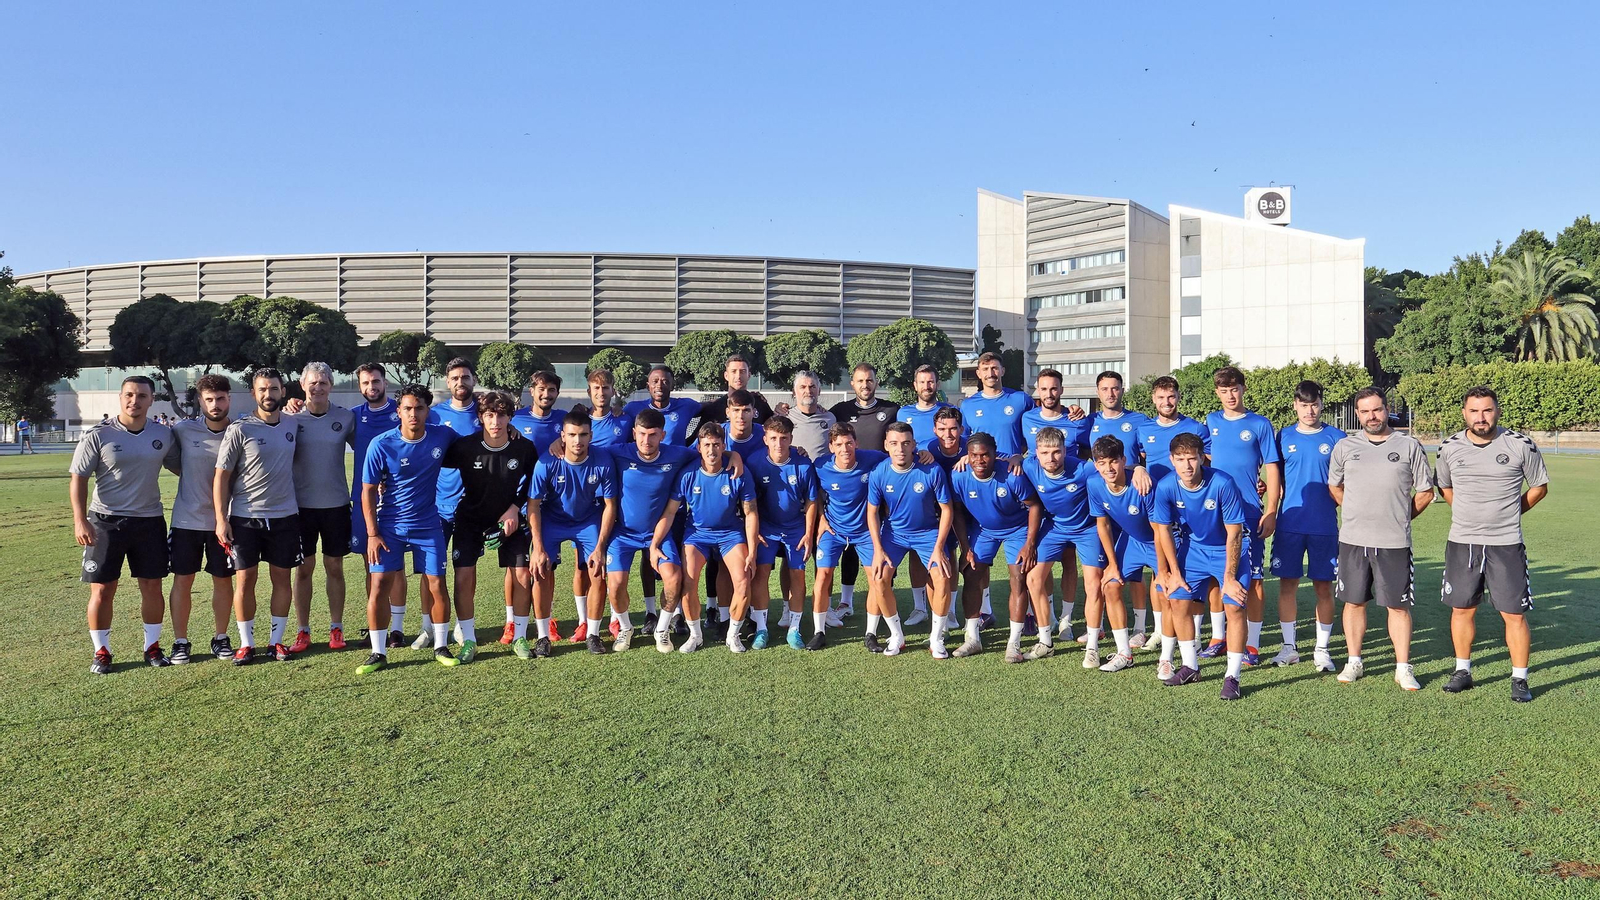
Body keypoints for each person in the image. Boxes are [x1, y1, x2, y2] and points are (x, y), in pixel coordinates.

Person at [1435, 386, 1548, 702]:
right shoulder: (1449, 448)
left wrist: (1510, 511)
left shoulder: (1521, 445)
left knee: (1514, 613)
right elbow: (1444, 486)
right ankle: (1462, 671)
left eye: (1487, 410)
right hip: (1462, 542)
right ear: (1464, 413)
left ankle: (1519, 679)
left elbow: (1539, 487)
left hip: (1506, 542)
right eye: (1474, 411)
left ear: (1497, 411)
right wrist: (1466, 513)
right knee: (1462, 609)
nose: (1481, 417)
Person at [1327, 387, 1434, 691]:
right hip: (1353, 539)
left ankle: (1403, 667)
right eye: (1365, 411)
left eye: (1376, 409)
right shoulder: (1345, 446)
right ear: (1357, 414)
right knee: (1353, 602)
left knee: (1398, 606)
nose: (1371, 416)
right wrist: (1354, 511)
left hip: (1394, 541)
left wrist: (1399, 517)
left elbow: (1426, 492)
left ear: (1387, 410)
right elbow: (1334, 486)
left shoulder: (1409, 446)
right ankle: (1354, 661)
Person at [70, 376, 174, 674]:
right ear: (120, 397)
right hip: (105, 522)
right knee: (103, 589)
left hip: (149, 521)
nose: (134, 401)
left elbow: (186, 465)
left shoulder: (163, 434)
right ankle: (101, 651)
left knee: (152, 586)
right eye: (129, 394)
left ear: (151, 400)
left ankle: (152, 647)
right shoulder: (98, 435)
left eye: (141, 395)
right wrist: (80, 520)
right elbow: (78, 479)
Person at [355, 384, 458, 674]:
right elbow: (368, 491)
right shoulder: (381, 444)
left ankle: (441, 646)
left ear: (428, 411)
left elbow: (477, 444)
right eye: (408, 408)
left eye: (420, 408)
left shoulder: (442, 436)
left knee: (437, 583)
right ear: (398, 411)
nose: (414, 414)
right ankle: (378, 652)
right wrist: (372, 534)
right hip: (389, 527)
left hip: (428, 525)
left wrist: (510, 431)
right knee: (379, 584)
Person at [1150, 432, 1251, 699]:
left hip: (1227, 548)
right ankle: (1191, 667)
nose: (1187, 465)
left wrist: (1229, 577)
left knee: (1234, 605)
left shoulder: (1222, 483)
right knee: (1177, 600)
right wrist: (1172, 572)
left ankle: (1232, 677)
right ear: (1172, 460)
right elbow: (1162, 530)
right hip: (1193, 550)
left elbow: (1235, 533)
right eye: (1180, 459)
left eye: (1192, 459)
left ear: (1202, 458)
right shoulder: (1166, 486)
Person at [214, 368, 305, 665]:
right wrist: (221, 519)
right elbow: (221, 476)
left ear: (283, 392)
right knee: (245, 580)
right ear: (254, 393)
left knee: (282, 579)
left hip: (285, 517)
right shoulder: (240, 429)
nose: (268, 394)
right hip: (245, 517)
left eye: (274, 389)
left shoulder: (292, 423)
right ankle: (246, 644)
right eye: (263, 389)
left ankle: (276, 642)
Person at [440, 389, 537, 664]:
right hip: (470, 520)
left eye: (502, 415)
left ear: (510, 417)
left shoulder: (523, 448)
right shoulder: (464, 446)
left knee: (522, 575)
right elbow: (429, 460)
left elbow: (534, 482)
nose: (496, 422)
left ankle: (520, 637)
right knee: (463, 576)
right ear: (481, 417)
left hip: (509, 521)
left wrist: (515, 507)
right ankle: (468, 639)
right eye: (490, 415)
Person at [653, 422, 760, 652]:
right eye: (707, 445)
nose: (712, 450)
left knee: (743, 580)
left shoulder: (738, 473)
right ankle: (696, 635)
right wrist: (655, 543)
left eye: (716, 444)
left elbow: (750, 513)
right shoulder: (687, 474)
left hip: (730, 534)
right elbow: (670, 512)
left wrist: (752, 551)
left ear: (724, 446)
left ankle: (733, 634)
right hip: (697, 535)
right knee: (688, 581)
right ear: (699, 447)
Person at [1201, 366, 1281, 667]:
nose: (1230, 395)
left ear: (1243, 389)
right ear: (1217, 393)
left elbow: (1272, 468)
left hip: (1248, 511)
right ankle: (1218, 638)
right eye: (1224, 391)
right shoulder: (1211, 421)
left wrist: (1271, 510)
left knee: (1254, 578)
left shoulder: (1259, 424)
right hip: (1215, 511)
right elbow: (1205, 457)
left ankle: (1252, 644)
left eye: (1234, 389)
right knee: (1215, 576)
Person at [1127, 375, 1210, 649]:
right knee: (1159, 570)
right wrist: (1139, 468)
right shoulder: (1143, 429)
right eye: (1161, 397)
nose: (1166, 401)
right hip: (1158, 509)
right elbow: (1134, 461)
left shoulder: (1195, 427)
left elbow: (1211, 462)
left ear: (1178, 397)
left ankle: (1194, 633)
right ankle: (1160, 630)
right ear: (1153, 399)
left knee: (1191, 567)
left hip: (1192, 508)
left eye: (1171, 396)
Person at [528, 409, 619, 655]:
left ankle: (593, 634)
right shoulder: (546, 462)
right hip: (552, 520)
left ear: (591, 436)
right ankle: (543, 636)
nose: (578, 441)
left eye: (583, 435)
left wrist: (600, 547)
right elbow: (533, 506)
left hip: (587, 521)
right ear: (563, 436)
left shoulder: (602, 460)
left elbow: (610, 505)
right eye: (572, 435)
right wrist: (538, 548)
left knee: (597, 571)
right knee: (540, 571)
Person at [1269, 380, 1346, 672]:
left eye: (1314, 404)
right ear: (1295, 405)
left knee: (1323, 587)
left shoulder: (1337, 437)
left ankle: (1322, 650)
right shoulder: (1283, 436)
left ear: (1322, 404)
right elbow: (1275, 478)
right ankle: (1289, 647)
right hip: (1289, 524)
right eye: (1304, 405)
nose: (1309, 410)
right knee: (1287, 584)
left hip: (1324, 525)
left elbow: (1348, 479)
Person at [610, 407, 699, 653]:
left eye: (652, 435)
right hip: (623, 533)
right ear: (634, 433)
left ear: (662, 435)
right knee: (616, 584)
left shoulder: (677, 454)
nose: (646, 440)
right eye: (641, 434)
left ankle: (661, 629)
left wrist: (733, 457)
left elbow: (708, 452)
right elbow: (585, 451)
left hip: (658, 533)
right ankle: (626, 627)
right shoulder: (618, 452)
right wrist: (557, 443)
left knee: (673, 578)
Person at [949, 432, 1043, 661]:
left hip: (1017, 529)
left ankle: (1014, 643)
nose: (979, 460)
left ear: (994, 454)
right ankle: (972, 638)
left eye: (985, 455)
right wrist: (965, 547)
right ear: (967, 455)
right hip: (984, 530)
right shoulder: (959, 475)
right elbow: (957, 512)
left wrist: (1030, 544)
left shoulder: (1012, 475)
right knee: (971, 573)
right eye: (974, 455)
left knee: (1019, 577)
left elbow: (1034, 506)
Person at [865, 421, 955, 658]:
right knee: (879, 578)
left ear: (914, 445)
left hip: (928, 533)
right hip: (893, 534)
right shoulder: (879, 472)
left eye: (906, 443)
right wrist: (877, 549)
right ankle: (897, 636)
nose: (900, 449)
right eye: (894, 443)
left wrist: (939, 547)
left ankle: (936, 639)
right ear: (886, 445)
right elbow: (872, 512)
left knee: (942, 578)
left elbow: (947, 509)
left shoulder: (931, 469)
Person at [164, 374, 236, 664]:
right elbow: (172, 462)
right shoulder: (183, 430)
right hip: (186, 520)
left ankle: (221, 637)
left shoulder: (240, 430)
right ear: (200, 401)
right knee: (183, 579)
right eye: (209, 399)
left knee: (223, 580)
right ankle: (180, 641)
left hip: (226, 522)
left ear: (229, 399)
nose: (215, 405)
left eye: (220, 398)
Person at [411, 357, 482, 651]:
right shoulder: (434, 415)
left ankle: (463, 628)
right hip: (435, 507)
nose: (460, 382)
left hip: (471, 507)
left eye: (465, 377)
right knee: (430, 572)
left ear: (473, 379)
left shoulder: (484, 413)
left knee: (466, 570)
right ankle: (427, 627)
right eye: (454, 378)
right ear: (447, 382)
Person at [287, 362, 357, 653]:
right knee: (304, 569)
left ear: (331, 385)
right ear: (303, 385)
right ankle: (302, 631)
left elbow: (369, 449)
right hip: (300, 507)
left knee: (334, 567)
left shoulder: (346, 418)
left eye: (323, 383)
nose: (317, 388)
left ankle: (336, 628)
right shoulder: (290, 418)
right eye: (312, 383)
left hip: (336, 506)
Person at [621, 365, 698, 626]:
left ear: (672, 384)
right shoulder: (633, 409)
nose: (659, 385)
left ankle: (675, 614)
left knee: (674, 552)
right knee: (647, 556)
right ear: (647, 384)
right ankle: (650, 611)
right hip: (644, 488)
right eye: (655, 381)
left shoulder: (687, 406)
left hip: (674, 493)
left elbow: (713, 412)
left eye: (665, 380)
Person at [1023, 427, 1108, 655]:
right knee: (1033, 579)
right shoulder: (1029, 466)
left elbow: (1112, 469)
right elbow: (1004, 460)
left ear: (1064, 450)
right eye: (1045, 452)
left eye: (1056, 452)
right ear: (1036, 453)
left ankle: (1092, 644)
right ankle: (1045, 642)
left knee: (1093, 584)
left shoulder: (1084, 468)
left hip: (1087, 529)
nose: (1051, 458)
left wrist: (1138, 468)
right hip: (1055, 528)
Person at [826, 363, 900, 620]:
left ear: (876, 382)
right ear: (853, 384)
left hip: (883, 488)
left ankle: (884, 597)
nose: (865, 385)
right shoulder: (840, 411)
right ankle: (846, 602)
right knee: (849, 547)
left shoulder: (891, 410)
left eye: (869, 380)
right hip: (851, 487)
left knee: (882, 543)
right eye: (860, 381)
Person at [1088, 435, 1166, 674]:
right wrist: (1112, 564)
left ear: (1123, 460)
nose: (1108, 468)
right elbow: (1103, 525)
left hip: (1159, 540)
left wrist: (1163, 570)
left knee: (1168, 590)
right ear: (1095, 465)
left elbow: (1159, 530)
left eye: (1113, 461)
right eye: (1102, 463)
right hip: (1133, 541)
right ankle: (1124, 653)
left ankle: (1168, 654)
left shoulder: (1143, 485)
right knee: (1110, 585)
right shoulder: (1094, 484)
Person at [812, 423, 890, 650]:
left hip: (865, 532)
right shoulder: (820, 466)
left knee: (876, 579)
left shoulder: (873, 458)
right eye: (838, 444)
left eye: (848, 443)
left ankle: (870, 633)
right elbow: (813, 494)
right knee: (822, 576)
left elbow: (898, 457)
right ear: (831, 447)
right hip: (833, 531)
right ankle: (819, 631)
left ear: (856, 443)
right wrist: (821, 517)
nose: (844, 449)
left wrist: (922, 454)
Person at [746, 414, 820, 650]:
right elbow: (748, 500)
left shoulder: (803, 464)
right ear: (765, 439)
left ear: (791, 439)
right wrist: (754, 529)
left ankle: (794, 628)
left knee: (797, 576)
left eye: (784, 438)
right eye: (774, 438)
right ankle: (761, 629)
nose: (779, 444)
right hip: (766, 528)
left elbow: (812, 501)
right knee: (760, 574)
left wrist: (808, 534)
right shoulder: (754, 462)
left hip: (795, 527)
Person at [349, 363, 408, 647]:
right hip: (364, 499)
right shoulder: (353, 417)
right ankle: (377, 626)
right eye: (365, 383)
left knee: (396, 567)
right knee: (371, 564)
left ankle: (397, 628)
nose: (371, 387)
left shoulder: (402, 412)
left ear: (385, 383)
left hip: (398, 501)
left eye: (375, 381)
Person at [507, 369, 568, 641]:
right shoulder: (515, 420)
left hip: (551, 505)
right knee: (516, 567)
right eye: (541, 389)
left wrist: (562, 437)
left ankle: (547, 618)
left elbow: (584, 425)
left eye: (551, 390)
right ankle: (511, 621)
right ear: (531, 391)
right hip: (519, 502)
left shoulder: (564, 420)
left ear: (557, 393)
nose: (546, 394)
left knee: (546, 566)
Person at [961, 352, 1031, 459]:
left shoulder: (1021, 399)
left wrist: (1017, 456)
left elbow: (1036, 429)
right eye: (985, 369)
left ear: (1002, 371)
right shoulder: (967, 405)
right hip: (981, 466)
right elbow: (963, 440)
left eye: (994, 368)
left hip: (1012, 466)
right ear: (978, 374)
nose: (990, 374)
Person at [1021, 368, 1089, 456]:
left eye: (1053, 389)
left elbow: (1087, 450)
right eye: (1044, 389)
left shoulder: (1077, 420)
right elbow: (1022, 446)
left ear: (1061, 390)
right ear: (1038, 391)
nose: (1049, 395)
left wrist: (1073, 463)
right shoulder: (1027, 419)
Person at [696, 354, 775, 424]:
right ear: (726, 376)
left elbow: (773, 429)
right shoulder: (714, 408)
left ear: (749, 375)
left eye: (742, 371)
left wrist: (779, 412)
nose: (738, 376)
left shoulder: (760, 403)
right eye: (733, 371)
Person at [782, 370, 836, 461]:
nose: (808, 391)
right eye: (803, 387)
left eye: (812, 387)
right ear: (794, 392)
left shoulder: (830, 418)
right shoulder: (784, 417)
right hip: (796, 469)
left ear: (819, 391)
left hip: (822, 469)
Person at [897, 365, 953, 445]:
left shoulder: (951, 411)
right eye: (922, 382)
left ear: (937, 385)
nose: (926, 387)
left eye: (930, 382)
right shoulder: (903, 413)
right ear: (915, 386)